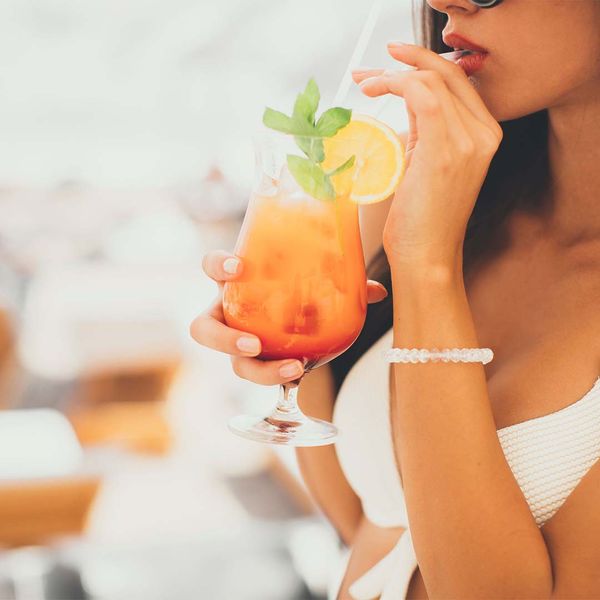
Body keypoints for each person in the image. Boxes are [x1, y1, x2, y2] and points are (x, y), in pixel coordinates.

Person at [190, 0, 600, 597]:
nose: (444, 2)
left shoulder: (427, 237)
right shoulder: (424, 196)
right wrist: (287, 351)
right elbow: (366, 523)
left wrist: (428, 268)